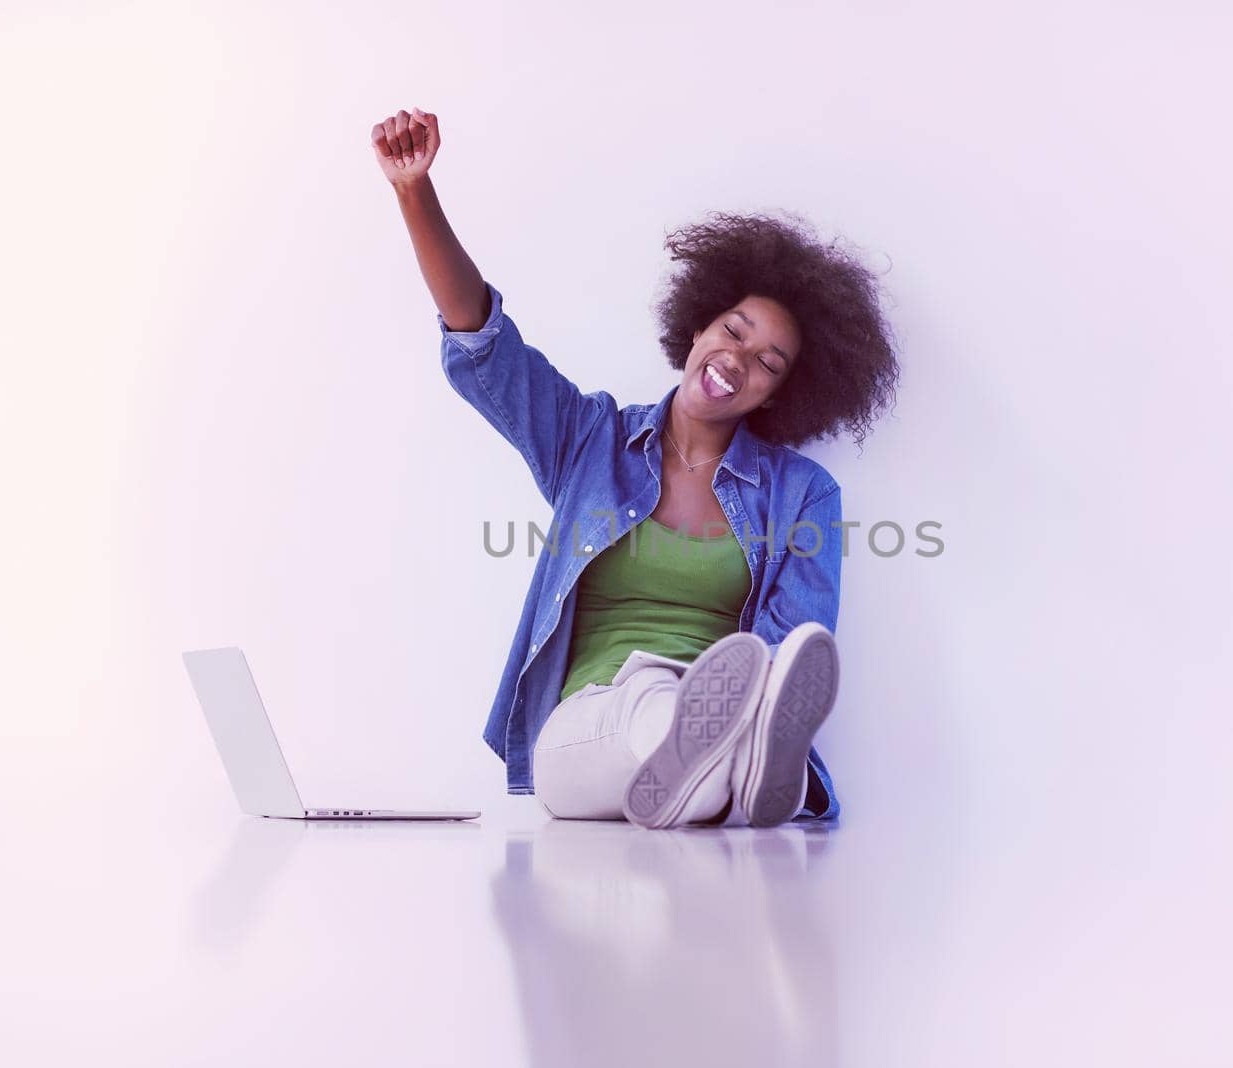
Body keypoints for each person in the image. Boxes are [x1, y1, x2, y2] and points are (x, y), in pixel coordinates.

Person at [373, 106, 901, 828]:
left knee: (723, 709)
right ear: (699, 325)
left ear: (783, 394)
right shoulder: (587, 440)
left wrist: (747, 697)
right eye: (732, 332)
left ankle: (727, 763)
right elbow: (484, 345)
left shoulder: (803, 493)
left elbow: (793, 640)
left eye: (766, 363)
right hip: (591, 727)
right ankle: (740, 767)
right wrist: (414, 192)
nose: (737, 361)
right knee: (654, 710)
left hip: (718, 705)